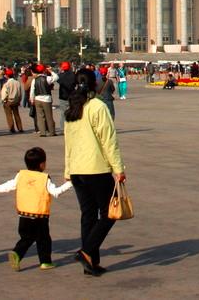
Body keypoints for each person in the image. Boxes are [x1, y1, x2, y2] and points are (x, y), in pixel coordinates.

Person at [63, 68, 125, 276]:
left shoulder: (73, 108)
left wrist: (67, 169)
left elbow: (68, 142)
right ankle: (87, 251)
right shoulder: (97, 106)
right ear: (93, 84)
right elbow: (109, 140)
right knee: (109, 213)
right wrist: (118, 168)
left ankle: (91, 262)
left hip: (77, 170)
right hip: (95, 168)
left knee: (88, 215)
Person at [0, 147, 73, 271]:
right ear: (42, 164)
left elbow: (9, 186)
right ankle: (45, 262)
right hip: (39, 216)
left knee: (26, 238)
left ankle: (17, 253)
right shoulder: (44, 178)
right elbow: (56, 192)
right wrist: (70, 183)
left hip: (23, 215)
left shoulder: (20, 175)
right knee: (43, 239)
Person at [30, 64, 56, 137]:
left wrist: (32, 99)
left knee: (40, 117)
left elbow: (32, 91)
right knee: (49, 116)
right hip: (47, 99)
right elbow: (56, 77)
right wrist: (51, 71)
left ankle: (42, 132)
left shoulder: (34, 80)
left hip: (38, 99)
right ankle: (52, 132)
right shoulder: (47, 78)